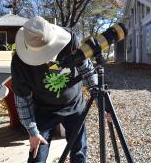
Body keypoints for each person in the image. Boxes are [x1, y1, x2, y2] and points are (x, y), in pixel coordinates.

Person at [11, 16, 97, 163]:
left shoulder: (70, 40)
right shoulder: (19, 63)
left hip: (74, 105)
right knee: (36, 157)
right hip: (44, 109)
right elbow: (22, 100)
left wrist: (100, 98)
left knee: (79, 154)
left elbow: (86, 69)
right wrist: (32, 131)